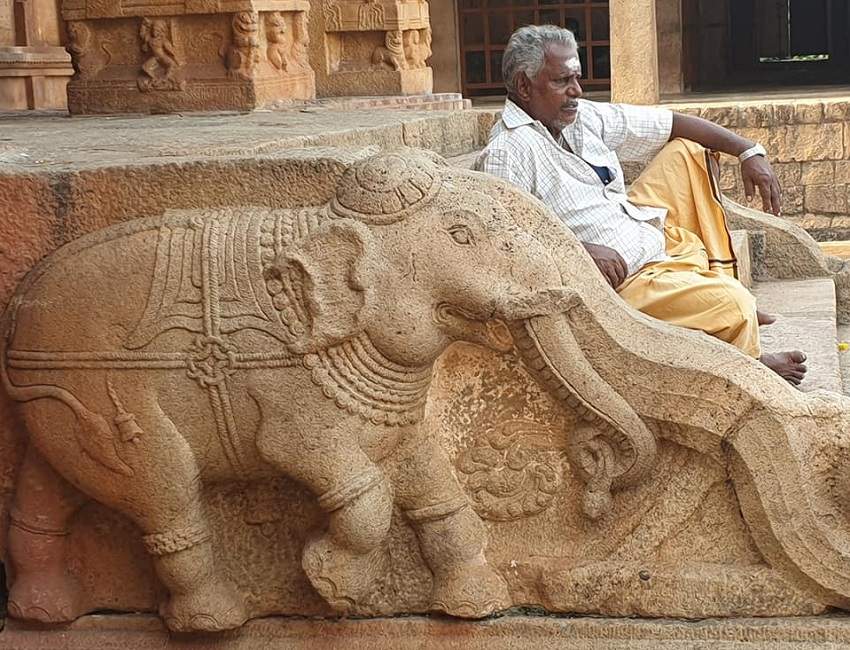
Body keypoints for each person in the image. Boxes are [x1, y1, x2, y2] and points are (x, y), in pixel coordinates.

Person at [474, 24, 807, 385]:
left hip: (640, 232)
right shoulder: (507, 153)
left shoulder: (579, 117)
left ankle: (711, 297)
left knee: (687, 151)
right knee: (734, 306)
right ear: (524, 86)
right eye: (562, 81)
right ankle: (749, 359)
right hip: (617, 281)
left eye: (577, 78)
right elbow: (501, 247)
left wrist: (748, 150)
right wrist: (577, 250)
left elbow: (671, 123)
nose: (576, 91)